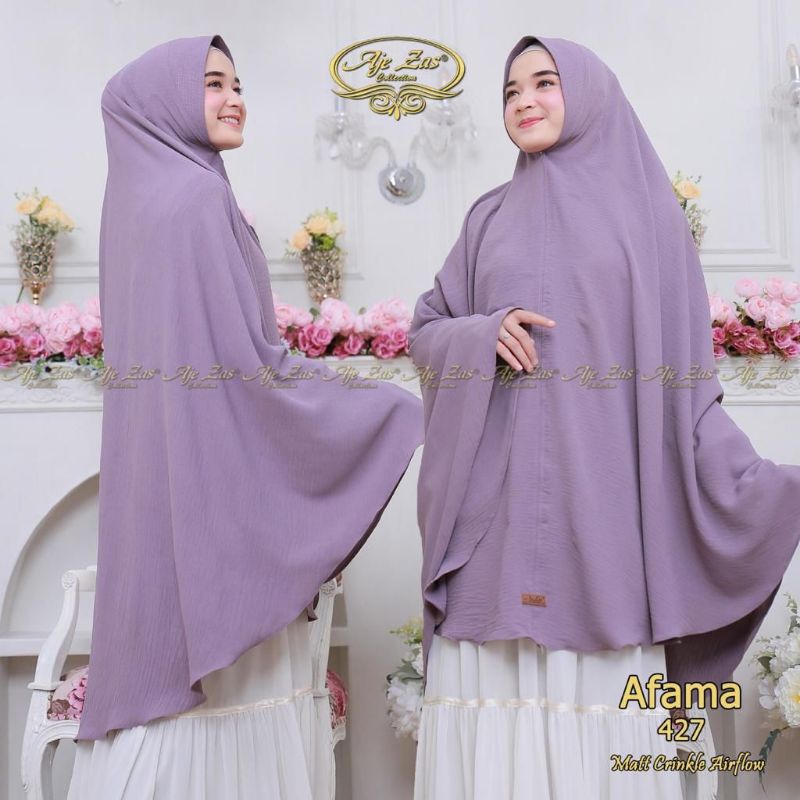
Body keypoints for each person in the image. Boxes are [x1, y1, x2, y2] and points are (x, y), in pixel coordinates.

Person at [408, 35, 800, 799]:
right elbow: (427, 329)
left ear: (588, 93)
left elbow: (685, 381)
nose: (524, 101)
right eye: (511, 91)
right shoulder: (487, 219)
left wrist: (760, 488)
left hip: (601, 512)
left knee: (596, 678)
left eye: (544, 83)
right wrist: (481, 334)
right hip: (494, 516)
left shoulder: (650, 223)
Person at [67, 34, 423, 799]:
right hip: (214, 497)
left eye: (237, 84)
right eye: (212, 84)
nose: (234, 99)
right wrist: (379, 408)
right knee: (237, 698)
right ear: (165, 101)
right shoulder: (198, 200)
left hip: (158, 490)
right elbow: (244, 370)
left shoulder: (137, 204)